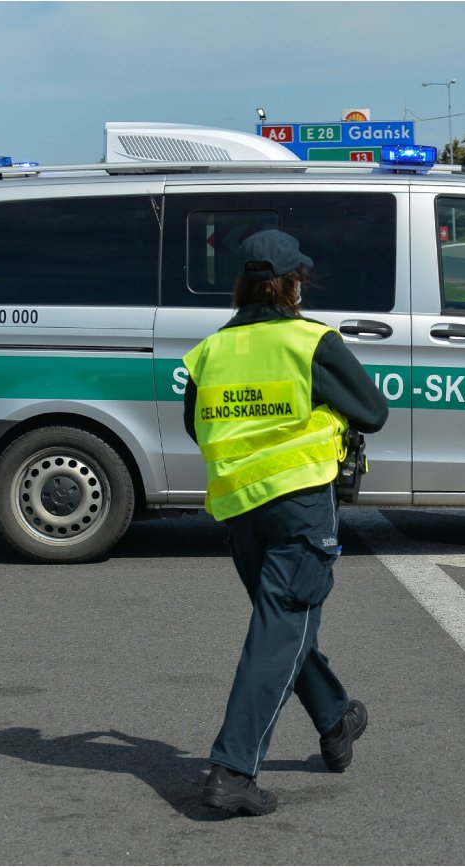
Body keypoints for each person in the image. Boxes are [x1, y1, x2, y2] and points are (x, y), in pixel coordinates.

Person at [182, 229, 389, 816]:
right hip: (300, 504)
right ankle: (233, 770)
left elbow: (196, 425)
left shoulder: (211, 351)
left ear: (242, 285)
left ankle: (336, 718)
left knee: (283, 626)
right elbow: (373, 412)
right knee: (280, 632)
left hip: (239, 507)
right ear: (294, 282)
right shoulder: (311, 341)